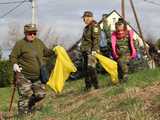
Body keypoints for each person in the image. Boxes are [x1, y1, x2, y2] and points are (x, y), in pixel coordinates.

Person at [10, 24, 53, 115]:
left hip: (37, 76)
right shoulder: (20, 44)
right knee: (25, 94)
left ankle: (30, 105)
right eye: (30, 33)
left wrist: (55, 50)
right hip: (23, 76)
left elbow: (46, 52)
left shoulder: (39, 42)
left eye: (34, 33)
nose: (32, 35)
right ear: (25, 33)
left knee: (41, 94)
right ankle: (22, 115)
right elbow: (13, 56)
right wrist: (15, 64)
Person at [80, 11, 100, 91]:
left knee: (91, 68)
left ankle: (96, 86)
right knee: (86, 69)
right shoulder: (86, 28)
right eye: (84, 18)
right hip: (85, 51)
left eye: (85, 18)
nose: (84, 20)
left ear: (89, 17)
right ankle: (88, 87)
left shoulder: (94, 26)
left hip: (92, 51)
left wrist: (94, 50)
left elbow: (96, 39)